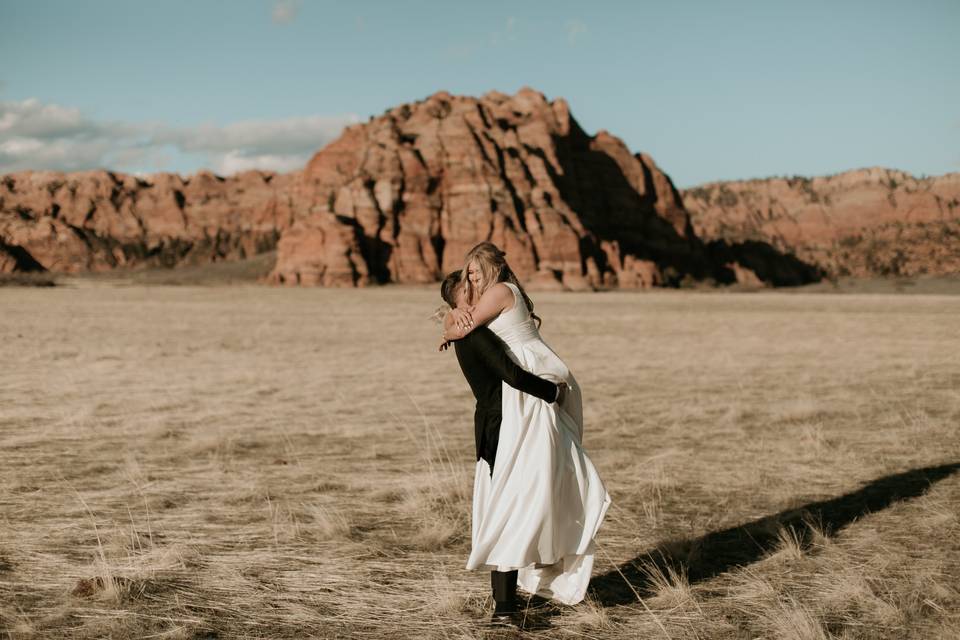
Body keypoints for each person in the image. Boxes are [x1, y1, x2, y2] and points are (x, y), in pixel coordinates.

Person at [441, 241, 612, 609]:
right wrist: (450, 319)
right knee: (532, 486)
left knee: (537, 482)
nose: (471, 279)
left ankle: (525, 581)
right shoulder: (485, 314)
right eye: (467, 274)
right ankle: (525, 582)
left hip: (530, 385)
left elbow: (464, 322)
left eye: (475, 271)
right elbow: (463, 317)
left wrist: (450, 327)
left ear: (494, 268)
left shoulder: (501, 291)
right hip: (523, 393)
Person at [438, 270, 568, 623]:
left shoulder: (469, 332)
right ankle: (505, 609)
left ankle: (509, 600)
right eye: (470, 289)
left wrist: (449, 325)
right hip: (504, 426)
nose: (479, 290)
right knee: (511, 510)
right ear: (458, 300)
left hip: (492, 424)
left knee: (506, 507)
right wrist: (552, 392)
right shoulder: (476, 335)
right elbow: (511, 375)